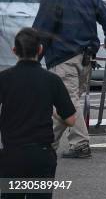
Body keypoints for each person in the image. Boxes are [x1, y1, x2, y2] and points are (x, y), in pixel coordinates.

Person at [33, 0, 106, 159]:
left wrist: (33, 60)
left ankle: (80, 143)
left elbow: (41, 33)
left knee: (68, 102)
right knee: (66, 102)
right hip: (86, 58)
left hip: (62, 59)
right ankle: (47, 143)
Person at [0, 29, 77, 198]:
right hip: (41, 155)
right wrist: (54, 114)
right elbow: (71, 120)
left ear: (14, 51)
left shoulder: (4, 78)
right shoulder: (52, 80)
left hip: (12, 154)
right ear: (40, 49)